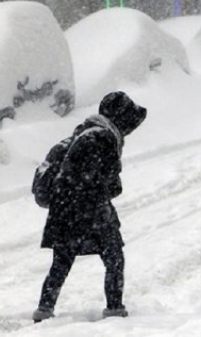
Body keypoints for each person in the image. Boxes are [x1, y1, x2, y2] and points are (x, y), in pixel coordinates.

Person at [33, 91, 147, 323]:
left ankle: (44, 310)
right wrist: (98, 192)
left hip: (64, 212)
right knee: (114, 257)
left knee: (61, 262)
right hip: (91, 212)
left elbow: (63, 178)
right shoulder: (103, 139)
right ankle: (115, 310)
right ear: (121, 118)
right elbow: (112, 186)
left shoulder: (80, 134)